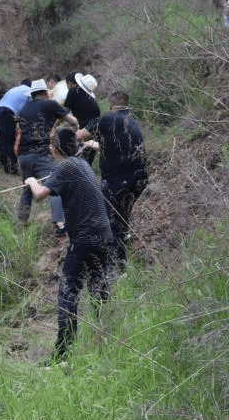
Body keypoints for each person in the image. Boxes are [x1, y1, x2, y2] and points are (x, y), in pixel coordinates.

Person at [24, 127, 112, 362]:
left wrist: (31, 181)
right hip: (104, 234)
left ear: (54, 148)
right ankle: (110, 341)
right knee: (99, 290)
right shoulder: (80, 163)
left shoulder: (64, 166)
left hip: (85, 237)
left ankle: (62, 354)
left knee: (68, 294)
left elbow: (40, 194)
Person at [76, 91, 148, 273]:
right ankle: (125, 250)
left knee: (112, 223)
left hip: (117, 181)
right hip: (138, 179)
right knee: (123, 218)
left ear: (110, 105)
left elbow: (80, 135)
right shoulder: (131, 122)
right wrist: (96, 145)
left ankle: (117, 268)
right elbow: (121, 147)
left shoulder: (106, 119)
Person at [14, 79, 79, 236]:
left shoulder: (24, 109)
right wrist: (74, 133)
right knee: (53, 187)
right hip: (41, 154)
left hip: (23, 156)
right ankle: (61, 225)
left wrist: (55, 122)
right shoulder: (51, 104)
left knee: (28, 188)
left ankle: (20, 225)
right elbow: (73, 121)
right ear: (45, 92)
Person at [0, 79, 31, 175]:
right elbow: (28, 111)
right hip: (7, 112)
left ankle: (4, 163)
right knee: (9, 140)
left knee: (3, 139)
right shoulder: (29, 92)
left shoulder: (15, 89)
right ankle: (10, 169)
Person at [64, 72, 101, 164]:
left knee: (75, 156)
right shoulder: (92, 100)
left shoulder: (73, 91)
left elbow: (64, 112)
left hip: (86, 129)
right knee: (87, 161)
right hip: (95, 131)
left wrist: (55, 123)